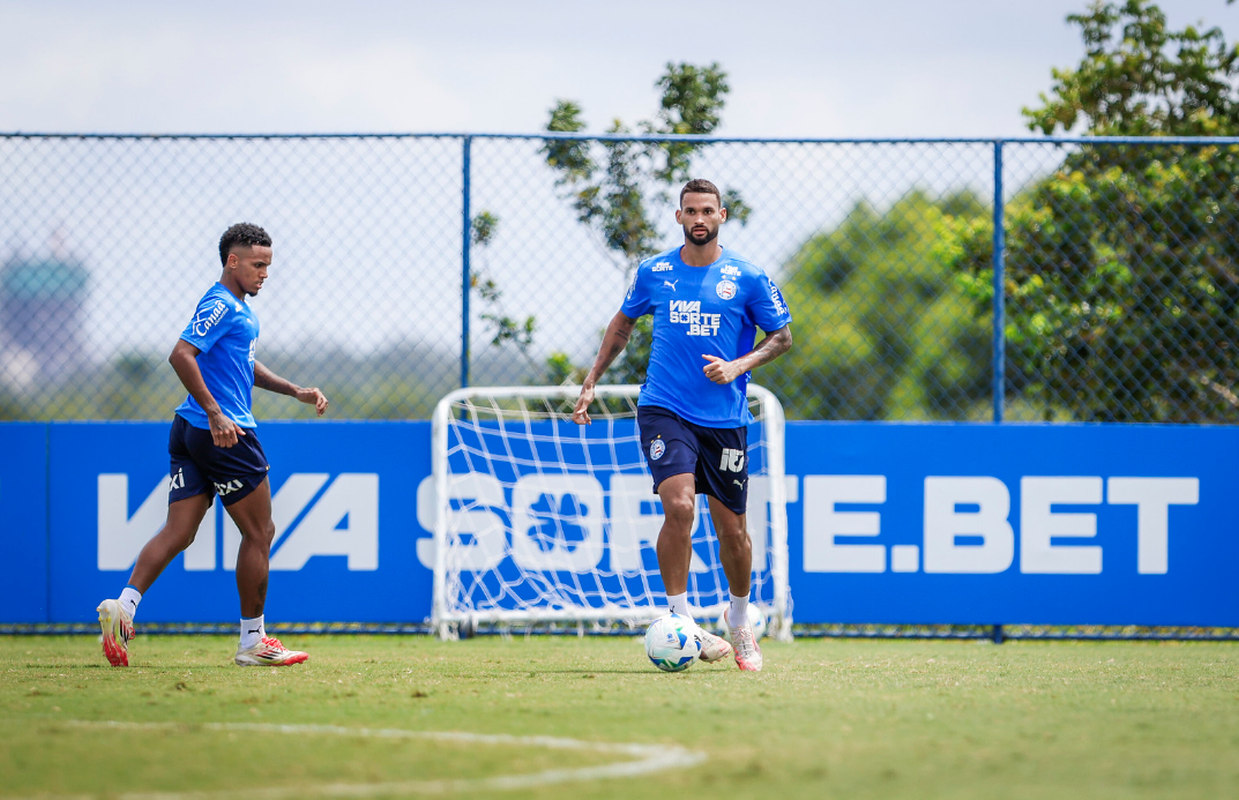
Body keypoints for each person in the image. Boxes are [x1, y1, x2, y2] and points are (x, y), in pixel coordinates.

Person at [572, 178, 792, 671]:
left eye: (707, 210)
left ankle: (738, 619)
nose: (699, 218)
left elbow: (782, 338)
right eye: (690, 210)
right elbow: (622, 324)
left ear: (722, 216)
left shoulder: (749, 277)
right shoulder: (654, 272)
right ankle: (681, 621)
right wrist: (590, 381)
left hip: (725, 419)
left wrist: (738, 366)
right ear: (678, 217)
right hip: (663, 408)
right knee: (679, 505)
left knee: (732, 532)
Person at [96, 222, 329, 667]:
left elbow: (244, 366)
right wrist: (216, 412)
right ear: (232, 261)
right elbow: (181, 354)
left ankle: (123, 606)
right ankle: (253, 642)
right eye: (258, 264)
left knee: (179, 531)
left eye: (269, 265)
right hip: (223, 431)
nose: (265, 273)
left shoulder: (238, 310)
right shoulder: (221, 303)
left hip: (189, 430)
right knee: (260, 533)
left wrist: (294, 390)